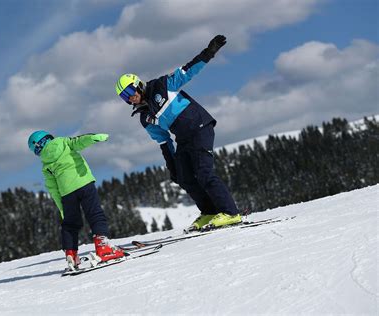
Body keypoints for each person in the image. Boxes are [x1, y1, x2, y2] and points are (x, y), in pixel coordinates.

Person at [115, 35, 241, 231]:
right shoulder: (144, 117)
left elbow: (187, 71)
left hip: (199, 127)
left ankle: (231, 213)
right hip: (183, 138)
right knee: (183, 177)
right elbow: (163, 141)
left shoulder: (162, 86)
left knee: (204, 172)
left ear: (138, 84)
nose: (130, 98)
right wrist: (172, 166)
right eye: (124, 97)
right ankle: (209, 212)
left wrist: (209, 52)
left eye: (130, 91)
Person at [28, 131, 124, 270]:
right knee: (94, 214)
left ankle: (71, 255)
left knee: (70, 224)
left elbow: (53, 189)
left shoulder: (45, 166)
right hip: (84, 184)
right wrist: (94, 138)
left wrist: (61, 208)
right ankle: (104, 248)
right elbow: (80, 141)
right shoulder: (63, 142)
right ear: (48, 137)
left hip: (66, 193)